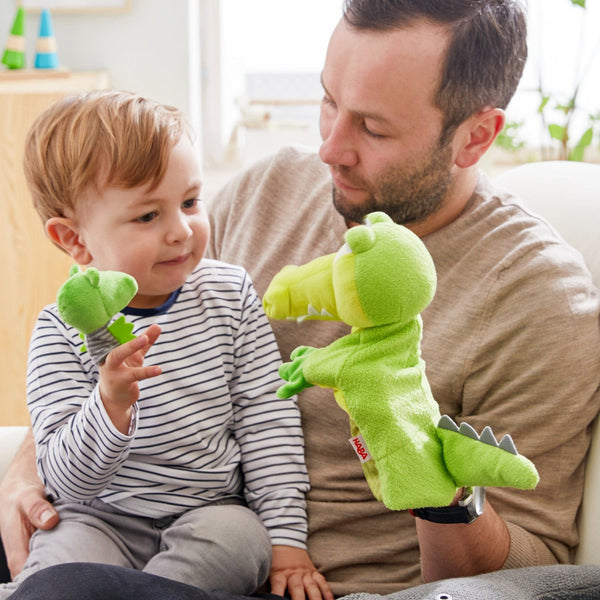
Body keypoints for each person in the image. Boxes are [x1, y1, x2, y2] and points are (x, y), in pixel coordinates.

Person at [1, 0, 600, 598]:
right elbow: (129, 341)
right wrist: (28, 465)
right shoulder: (271, 189)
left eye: (372, 127)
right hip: (122, 523)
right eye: (329, 102)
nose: (329, 149)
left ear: (476, 136)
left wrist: (438, 488)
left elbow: (531, 575)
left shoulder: (539, 298)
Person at [0, 90, 332, 600]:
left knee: (242, 540)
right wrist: (109, 406)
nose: (182, 231)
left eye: (190, 202)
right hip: (99, 517)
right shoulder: (57, 331)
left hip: (209, 511)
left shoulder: (231, 294)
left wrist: (287, 540)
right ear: (74, 239)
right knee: (55, 572)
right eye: (147, 217)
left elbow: (268, 419)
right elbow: (67, 481)